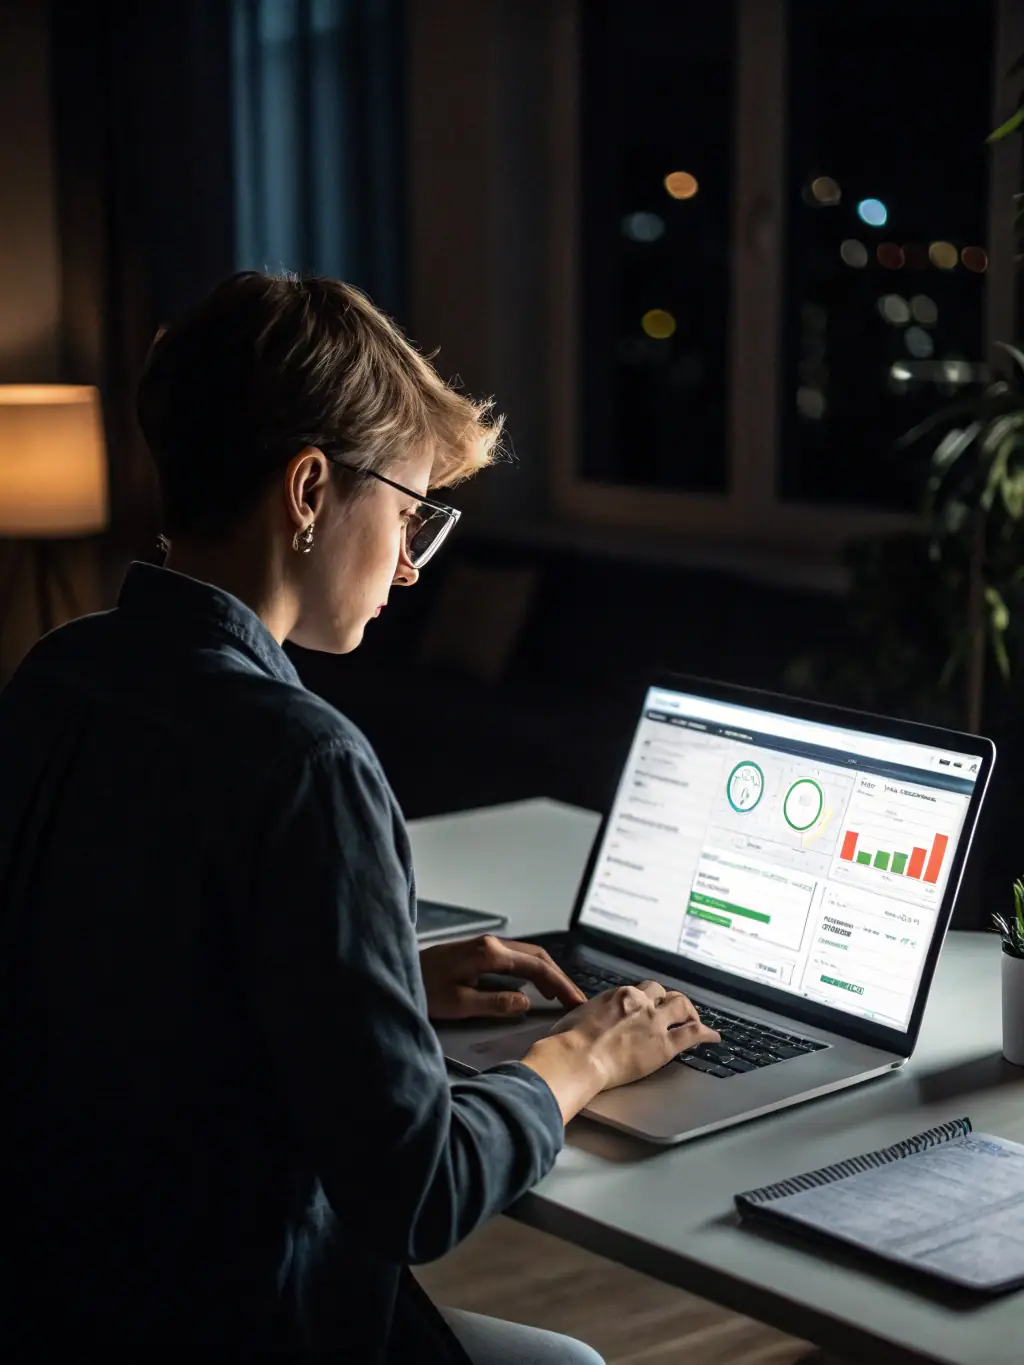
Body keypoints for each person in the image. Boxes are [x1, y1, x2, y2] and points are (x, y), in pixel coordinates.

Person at [0, 273, 718, 1362]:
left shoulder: (61, 673)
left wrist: (376, 982)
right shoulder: (307, 761)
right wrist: (580, 1058)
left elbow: (116, 979)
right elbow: (414, 1194)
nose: (412, 563)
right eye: (409, 511)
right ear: (307, 491)